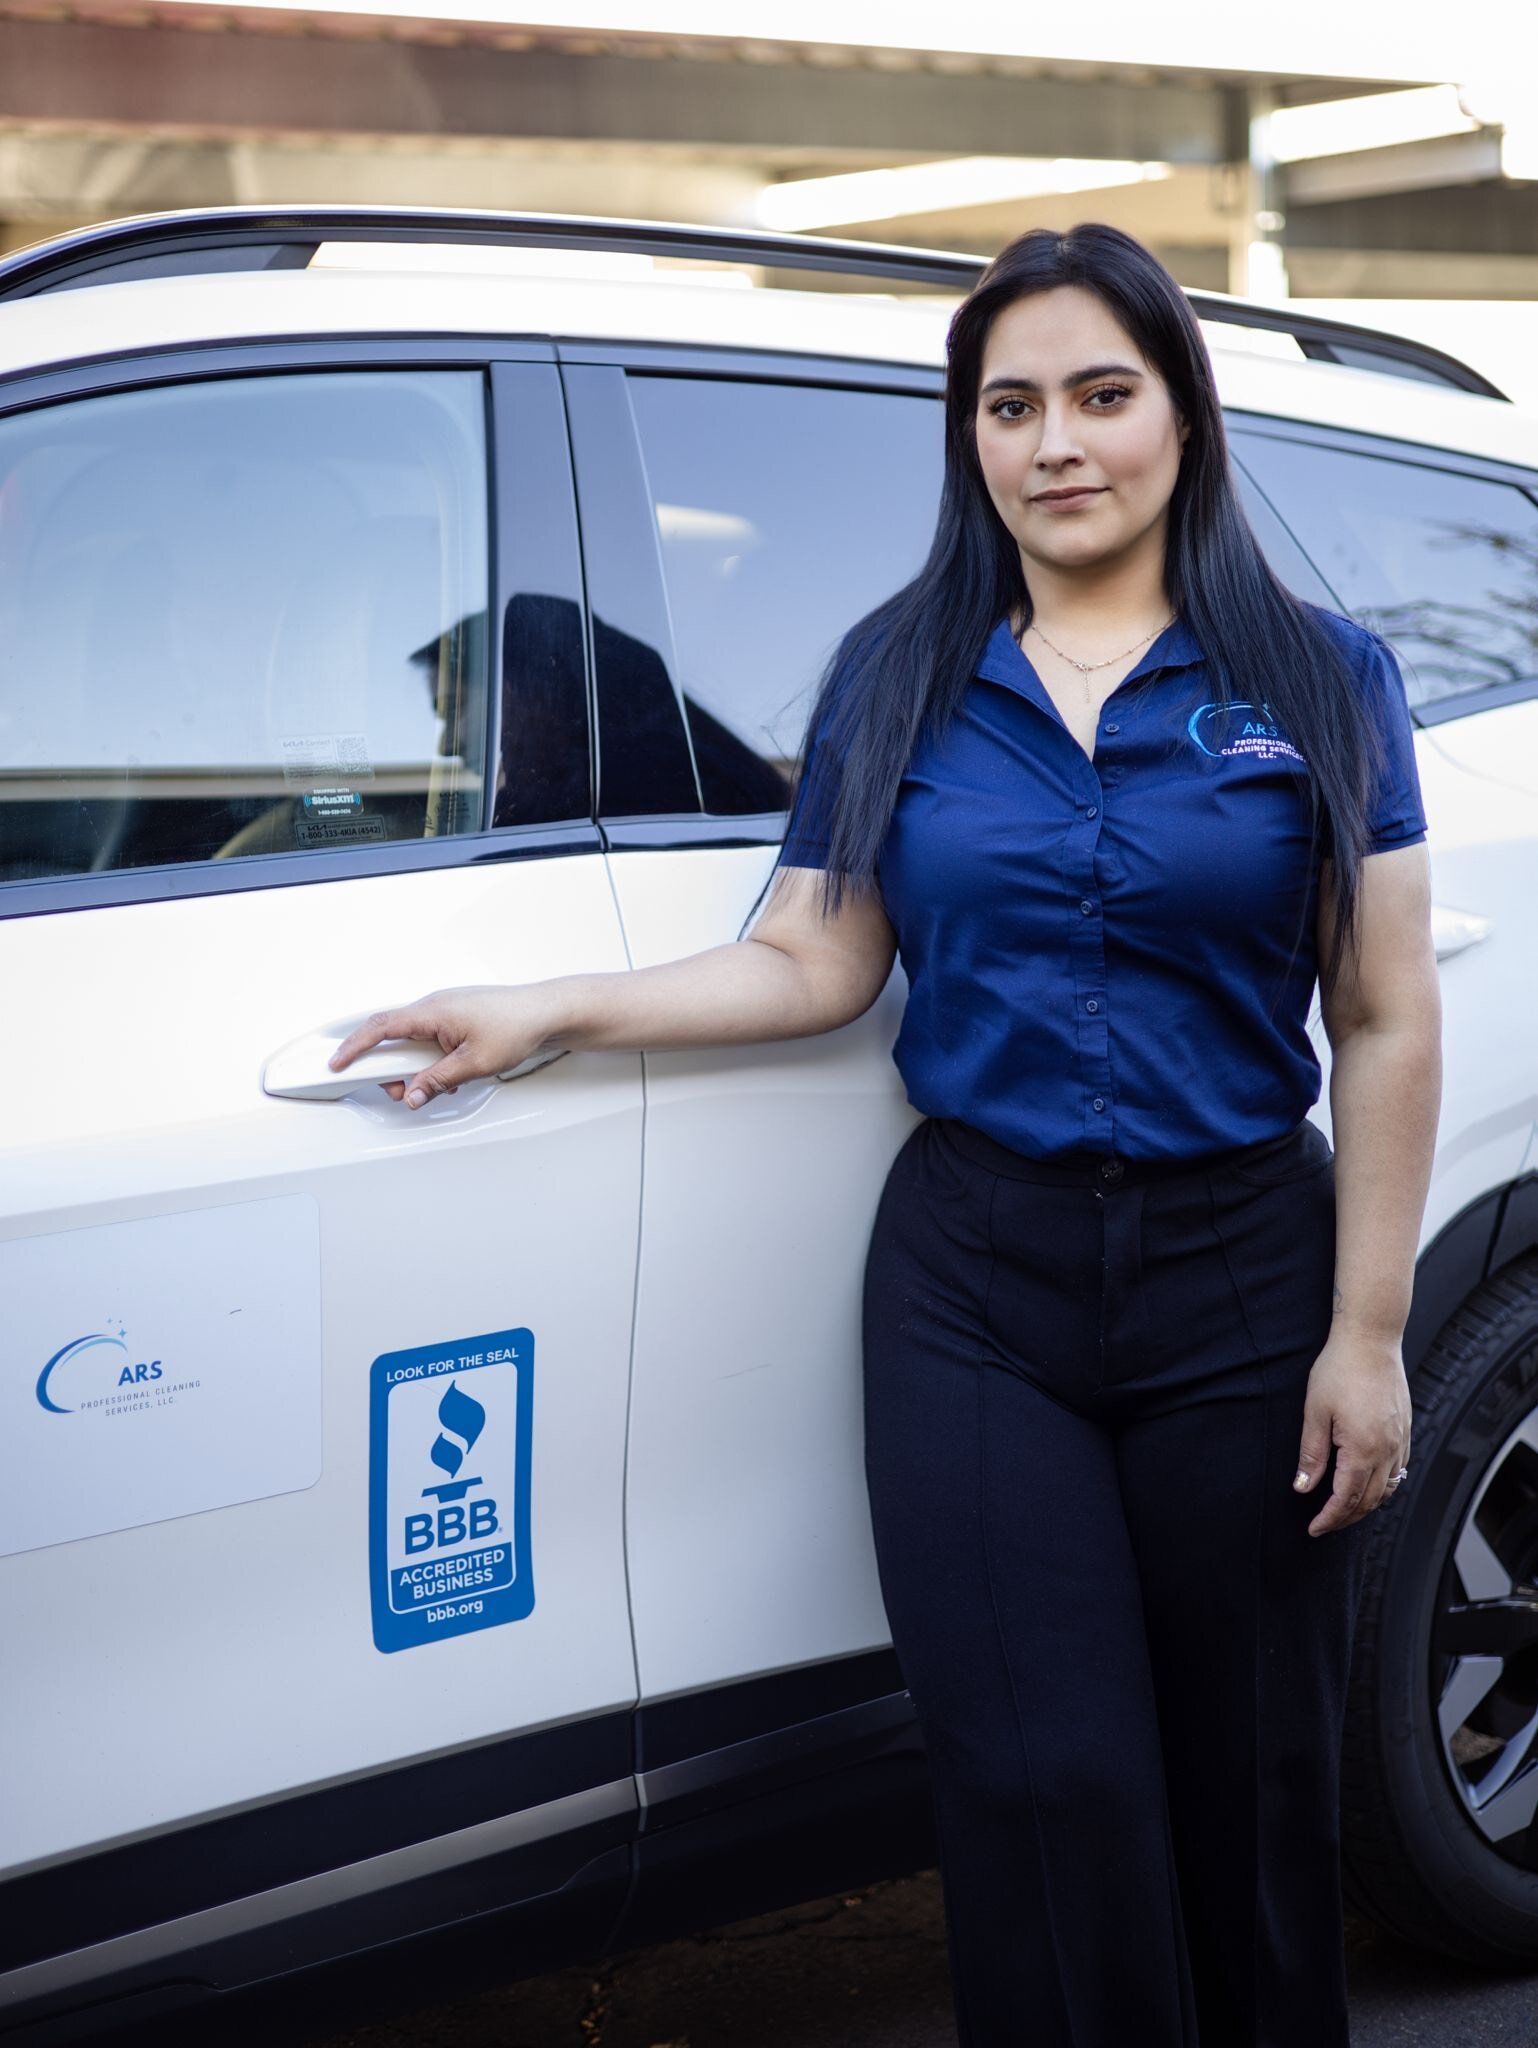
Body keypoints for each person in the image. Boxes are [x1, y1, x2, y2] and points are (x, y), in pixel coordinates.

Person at [328, 221, 1442, 2047]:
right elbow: (814, 958)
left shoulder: (1319, 678)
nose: (1055, 443)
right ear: (968, 438)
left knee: (1253, 1784)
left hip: (1243, 1278)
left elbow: (1382, 1013)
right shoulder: (901, 668)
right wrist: (548, 1006)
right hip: (977, 1291)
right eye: (1010, 406)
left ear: (1180, 417)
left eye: (1101, 394)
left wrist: (1367, 1333)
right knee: (1033, 1780)